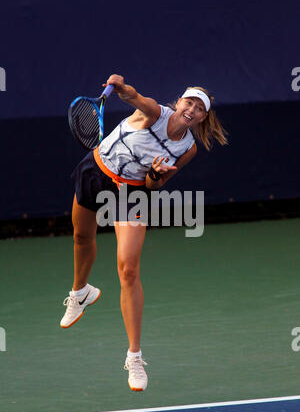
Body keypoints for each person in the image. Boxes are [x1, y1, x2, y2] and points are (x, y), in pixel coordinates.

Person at [60, 74, 227, 392]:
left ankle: (134, 357)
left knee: (129, 269)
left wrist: (154, 174)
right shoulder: (153, 112)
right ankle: (81, 292)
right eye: (188, 102)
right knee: (81, 237)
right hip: (97, 171)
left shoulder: (187, 149)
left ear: (204, 117)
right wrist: (121, 88)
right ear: (178, 102)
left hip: (133, 192)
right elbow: (135, 97)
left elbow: (155, 184)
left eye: (199, 108)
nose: (191, 109)